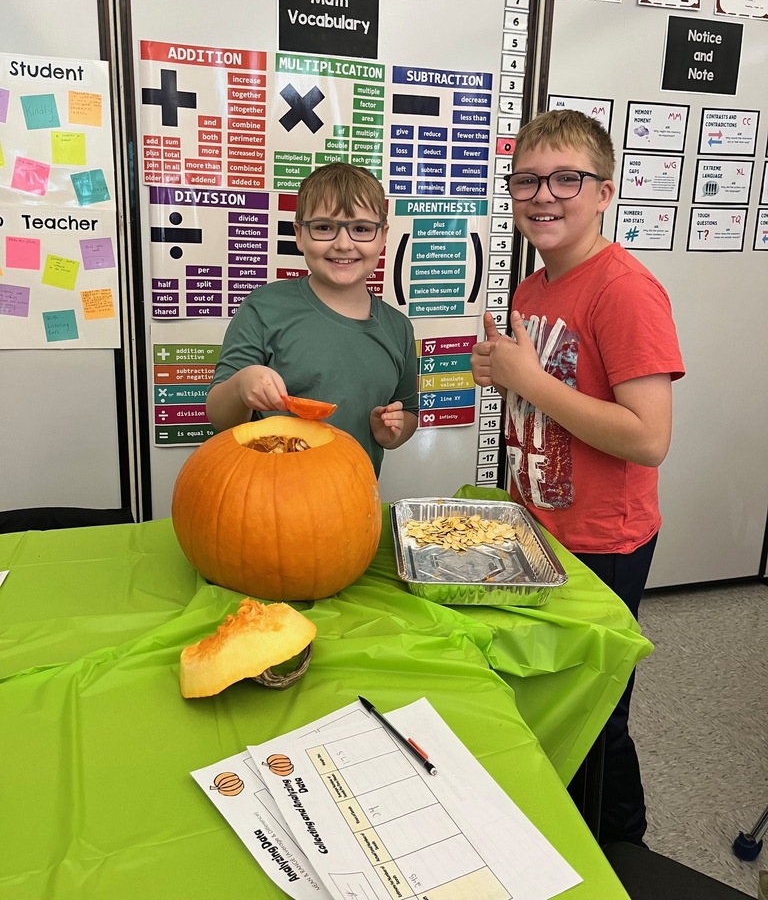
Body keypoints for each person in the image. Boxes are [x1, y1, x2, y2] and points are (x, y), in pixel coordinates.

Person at [471, 109, 684, 847]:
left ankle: (626, 851)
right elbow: (551, 395)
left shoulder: (624, 290)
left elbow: (648, 439)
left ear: (604, 193)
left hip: (603, 539)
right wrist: (506, 376)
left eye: (567, 179)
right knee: (553, 690)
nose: (544, 195)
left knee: (598, 710)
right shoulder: (533, 288)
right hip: (541, 524)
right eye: (527, 180)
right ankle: (561, 826)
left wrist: (531, 379)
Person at [207, 162, 419, 477]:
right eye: (324, 227)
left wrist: (391, 431)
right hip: (266, 493)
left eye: (361, 229)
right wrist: (241, 385)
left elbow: (409, 412)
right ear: (299, 234)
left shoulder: (398, 328)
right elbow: (219, 417)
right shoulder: (264, 308)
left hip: (356, 494)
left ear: (382, 235)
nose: (343, 244)